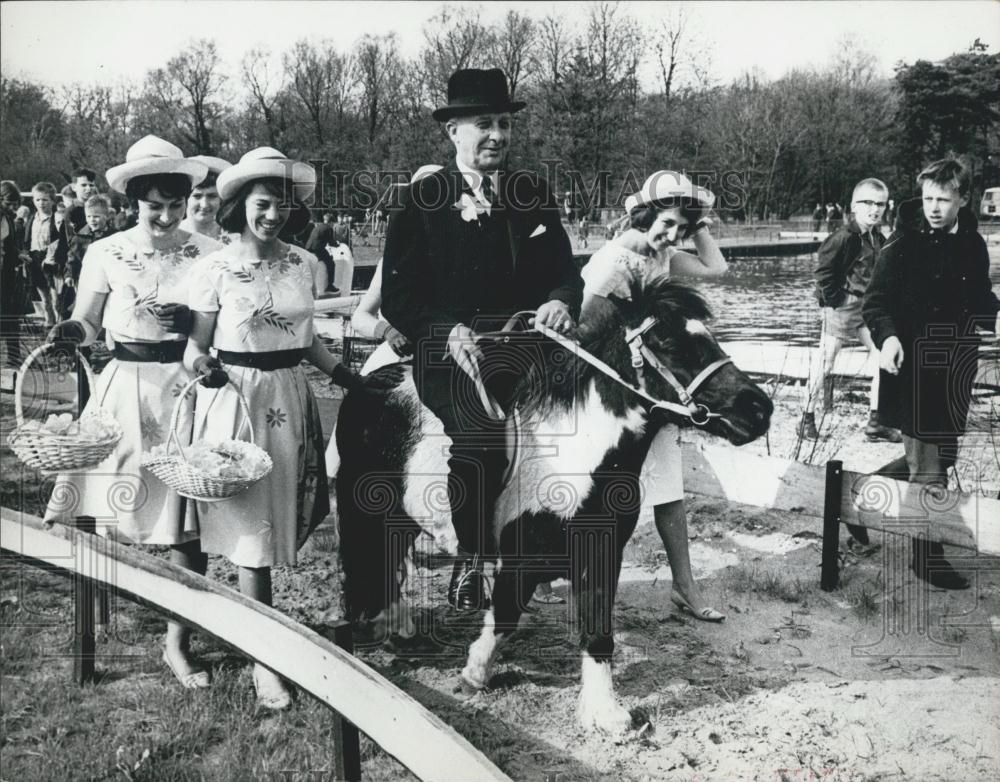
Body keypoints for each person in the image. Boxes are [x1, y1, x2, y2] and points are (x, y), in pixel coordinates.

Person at [184, 146, 382, 709]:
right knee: (253, 532)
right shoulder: (214, 268)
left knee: (282, 520)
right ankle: (262, 660)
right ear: (241, 204)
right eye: (263, 204)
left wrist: (348, 376)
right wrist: (203, 368)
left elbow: (306, 338)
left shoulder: (301, 262)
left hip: (291, 399)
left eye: (282, 207)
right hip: (236, 399)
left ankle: (276, 635)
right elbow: (196, 346)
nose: (272, 215)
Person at [381, 68, 582, 611]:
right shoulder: (421, 200)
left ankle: (552, 555)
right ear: (453, 132)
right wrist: (446, 332)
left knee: (586, 424)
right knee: (479, 439)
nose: (496, 135)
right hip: (450, 355)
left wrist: (561, 299)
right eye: (482, 124)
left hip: (526, 347)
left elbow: (566, 270)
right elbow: (399, 299)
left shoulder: (531, 193)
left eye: (503, 124)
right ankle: (472, 560)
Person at [43, 135, 222, 689]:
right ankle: (90, 634)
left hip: (184, 387)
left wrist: (189, 325)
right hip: (123, 384)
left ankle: (176, 642)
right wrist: (71, 330)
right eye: (154, 206)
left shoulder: (207, 252)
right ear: (133, 203)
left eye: (175, 204)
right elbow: (89, 320)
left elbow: (212, 325)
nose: (166, 216)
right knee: (98, 509)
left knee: (184, 522)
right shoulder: (107, 250)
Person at [580, 170, 728, 622]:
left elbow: (716, 268)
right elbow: (585, 330)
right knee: (586, 484)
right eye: (666, 223)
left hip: (652, 388)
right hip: (608, 388)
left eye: (681, 229)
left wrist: (696, 221)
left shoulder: (663, 253)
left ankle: (685, 588)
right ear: (643, 215)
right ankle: (551, 576)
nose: (672, 235)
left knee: (669, 487)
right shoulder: (616, 260)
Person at [863, 158, 1000, 590]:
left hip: (956, 366)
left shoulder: (974, 246)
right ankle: (927, 556)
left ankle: (864, 494)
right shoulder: (901, 245)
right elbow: (875, 304)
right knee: (930, 468)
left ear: (962, 198)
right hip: (911, 366)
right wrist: (886, 339)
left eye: (943, 199)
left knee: (942, 457)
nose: (934, 208)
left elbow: (979, 299)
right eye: (927, 199)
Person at [799, 178, 900, 443]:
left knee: (883, 357)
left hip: (868, 310)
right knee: (825, 361)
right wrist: (836, 300)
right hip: (843, 308)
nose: (874, 209)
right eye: (868, 202)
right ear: (855, 206)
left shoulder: (879, 238)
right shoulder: (844, 237)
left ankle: (876, 422)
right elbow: (822, 271)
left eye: (880, 204)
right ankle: (806, 418)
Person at [23, 182, 61, 326]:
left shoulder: (56, 218)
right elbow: (27, 238)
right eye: (37, 200)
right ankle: (49, 321)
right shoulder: (33, 218)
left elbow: (59, 240)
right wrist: (26, 254)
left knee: (55, 294)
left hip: (50, 259)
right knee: (43, 295)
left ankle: (59, 323)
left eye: (45, 200)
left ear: (52, 201)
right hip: (35, 258)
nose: (41, 203)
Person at [1, 179, 29, 367]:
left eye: (14, 204)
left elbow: (9, 244)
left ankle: (14, 356)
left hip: (6, 274)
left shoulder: (8, 218)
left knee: (12, 315)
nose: (12, 207)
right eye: (8, 203)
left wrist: (19, 254)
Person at [179, 155, 232, 242]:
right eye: (197, 196)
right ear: (185, 198)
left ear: (221, 199)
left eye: (212, 196)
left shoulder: (234, 238)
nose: (204, 204)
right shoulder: (170, 235)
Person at [304, 212, 339, 291]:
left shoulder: (318, 226)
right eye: (333, 223)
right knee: (331, 264)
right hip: (318, 249)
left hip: (308, 248)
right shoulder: (329, 228)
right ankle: (330, 285)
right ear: (331, 222)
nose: (333, 225)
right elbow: (331, 243)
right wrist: (338, 245)